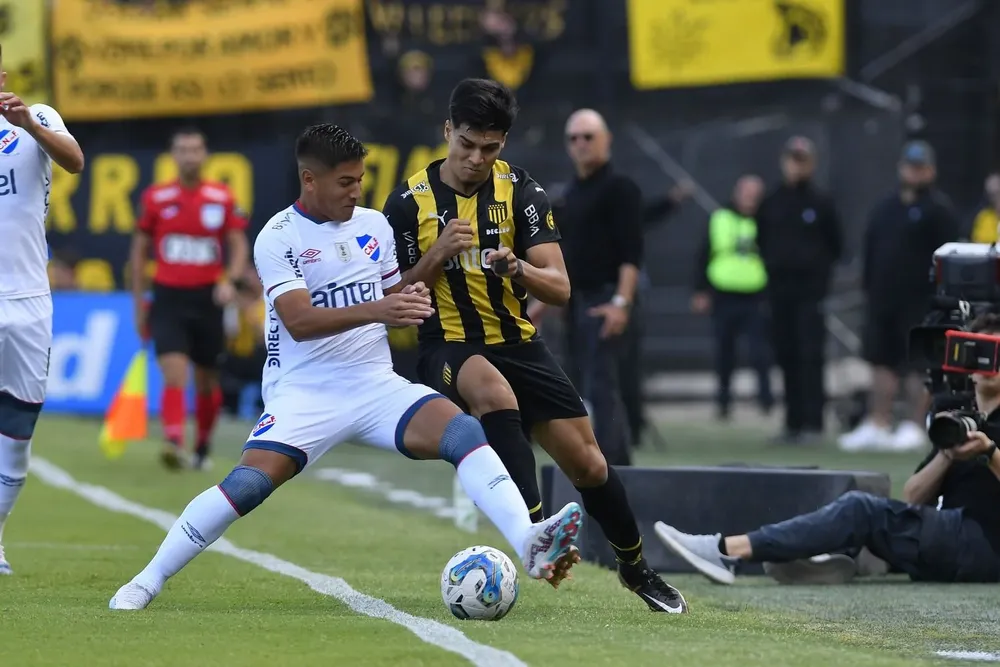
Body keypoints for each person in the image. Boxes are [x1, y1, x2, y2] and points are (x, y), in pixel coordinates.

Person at [109, 124, 584, 610]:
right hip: (305, 392)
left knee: (463, 432)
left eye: (359, 180)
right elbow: (299, 321)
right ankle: (146, 581)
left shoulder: (373, 225)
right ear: (309, 179)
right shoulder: (278, 236)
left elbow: (392, 294)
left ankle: (527, 541)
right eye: (345, 182)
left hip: (374, 383)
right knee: (248, 485)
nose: (356, 191)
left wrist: (424, 273)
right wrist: (380, 309)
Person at [383, 78, 687, 613]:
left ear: (503, 143)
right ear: (448, 130)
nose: (476, 159)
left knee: (590, 465)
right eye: (466, 144)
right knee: (494, 393)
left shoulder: (522, 191)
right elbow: (393, 296)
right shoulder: (408, 202)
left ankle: (636, 569)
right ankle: (534, 532)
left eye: (489, 148)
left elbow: (561, 288)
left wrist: (517, 267)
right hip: (447, 346)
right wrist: (437, 255)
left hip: (519, 342)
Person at [655, 311, 1000, 586]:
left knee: (861, 509)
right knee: (869, 509)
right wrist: (947, 455)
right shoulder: (961, 420)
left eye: (994, 352)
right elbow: (913, 497)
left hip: (986, 545)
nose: (986, 364)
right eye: (978, 353)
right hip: (955, 538)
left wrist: (988, 453)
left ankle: (727, 551)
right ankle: (837, 560)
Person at [0, 51, 86, 575]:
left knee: (17, 434)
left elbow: (75, 161)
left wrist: (28, 123)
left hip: (28, 300)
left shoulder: (37, 117)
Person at [130, 127, 250, 471]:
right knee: (174, 371)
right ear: (173, 155)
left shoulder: (221, 197)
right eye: (182, 150)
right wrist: (138, 302)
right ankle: (173, 440)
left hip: (208, 298)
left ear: (205, 154)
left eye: (195, 150)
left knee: (207, 379)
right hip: (168, 296)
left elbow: (238, 243)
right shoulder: (156, 197)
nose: (189, 157)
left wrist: (230, 280)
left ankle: (202, 446)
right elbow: (139, 251)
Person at [839, 140, 960, 452]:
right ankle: (877, 422)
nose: (914, 173)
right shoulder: (885, 208)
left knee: (918, 366)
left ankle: (913, 425)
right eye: (910, 167)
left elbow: (948, 258)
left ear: (930, 171)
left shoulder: (939, 211)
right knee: (881, 362)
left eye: (920, 168)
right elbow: (871, 249)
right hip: (883, 299)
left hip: (920, 302)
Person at [756, 136, 843, 443]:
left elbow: (835, 244)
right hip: (780, 292)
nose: (796, 166)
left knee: (810, 355)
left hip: (810, 293)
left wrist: (818, 274)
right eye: (792, 160)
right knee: (786, 353)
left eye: (802, 160)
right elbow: (762, 240)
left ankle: (813, 422)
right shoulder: (772, 201)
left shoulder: (821, 201)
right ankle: (792, 422)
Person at [691, 175, 773, 420]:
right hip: (724, 294)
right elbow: (704, 253)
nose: (750, 199)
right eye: (747, 193)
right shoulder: (720, 218)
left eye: (755, 195)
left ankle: (766, 400)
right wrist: (700, 290)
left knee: (760, 351)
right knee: (724, 351)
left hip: (755, 295)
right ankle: (724, 401)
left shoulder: (766, 221)